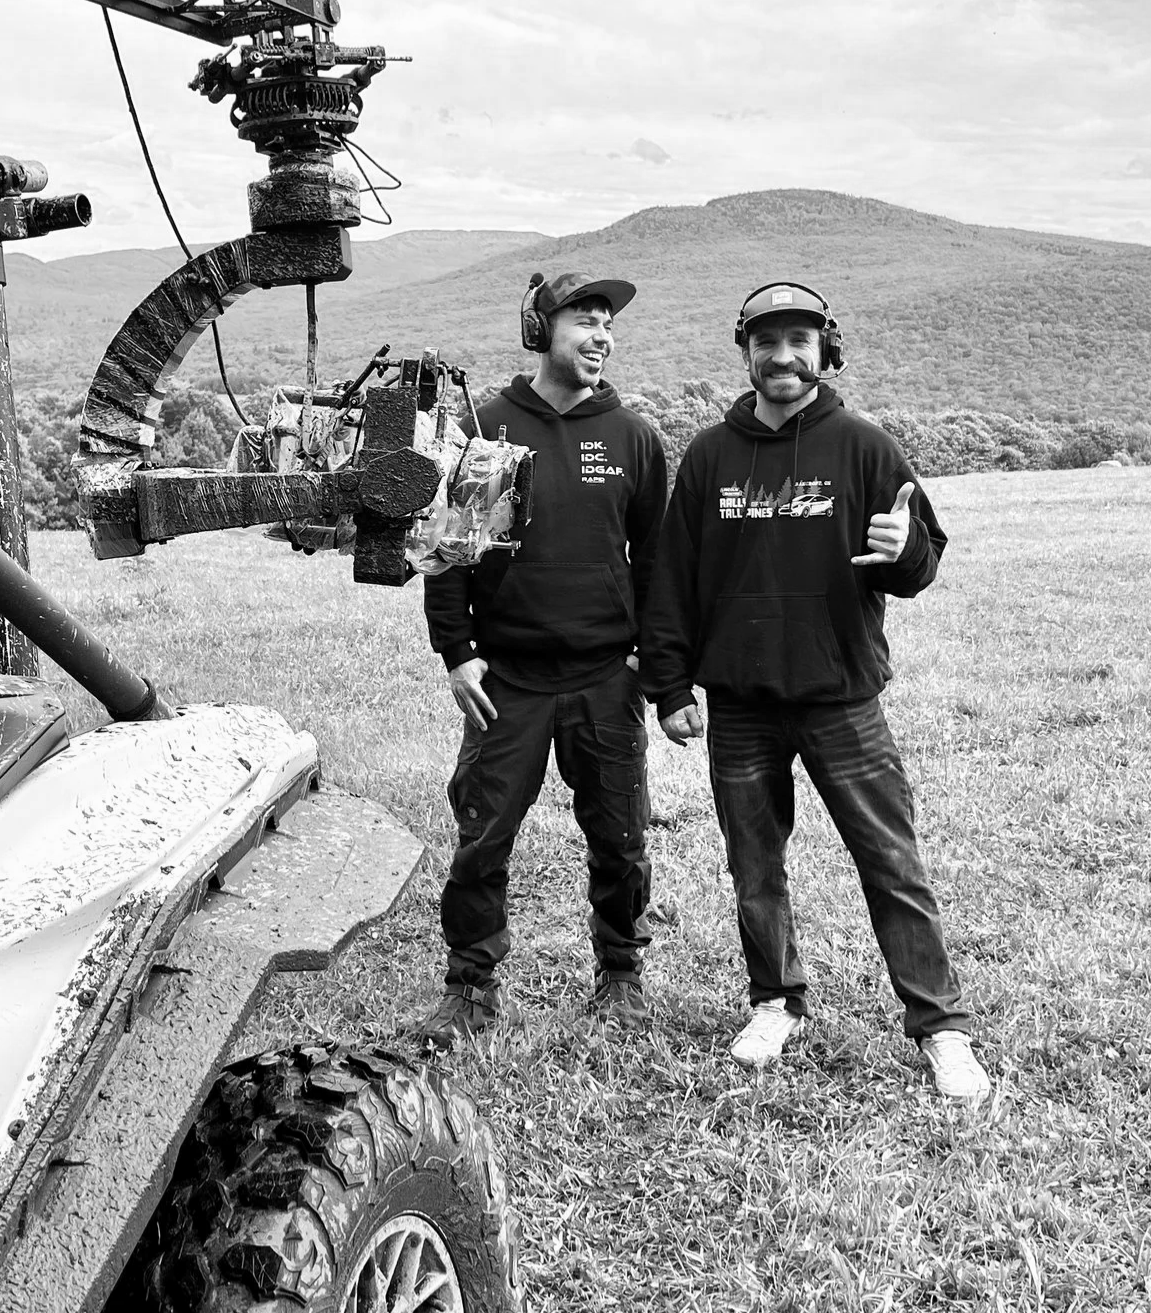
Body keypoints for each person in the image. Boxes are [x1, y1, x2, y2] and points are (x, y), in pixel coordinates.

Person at [639, 281, 990, 1098]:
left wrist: (904, 549)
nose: (782, 355)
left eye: (799, 339)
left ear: (825, 347)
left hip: (842, 701)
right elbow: (669, 582)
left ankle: (939, 1025)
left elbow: (921, 562)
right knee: (753, 863)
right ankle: (774, 1000)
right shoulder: (708, 457)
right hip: (741, 706)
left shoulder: (864, 448)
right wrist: (669, 684)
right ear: (746, 351)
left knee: (890, 860)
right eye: (767, 340)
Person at [413, 270, 669, 1044]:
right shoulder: (485, 428)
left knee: (620, 837)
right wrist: (457, 652)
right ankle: (470, 987)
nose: (601, 335)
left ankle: (620, 973)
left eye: (608, 323)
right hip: (509, 681)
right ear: (539, 328)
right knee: (483, 836)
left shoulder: (634, 436)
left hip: (603, 677)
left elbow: (658, 563)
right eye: (584, 319)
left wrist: (650, 663)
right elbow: (449, 550)